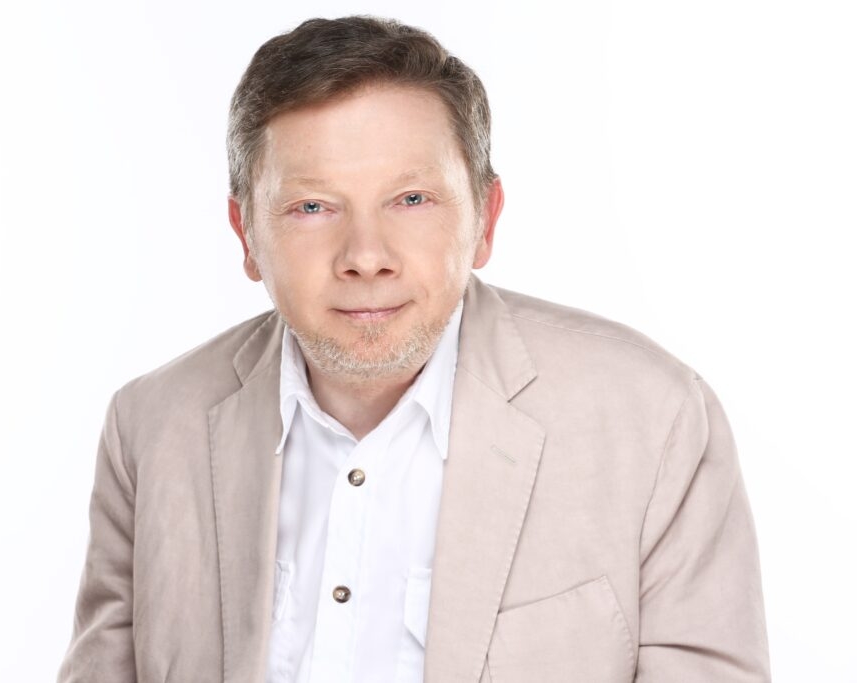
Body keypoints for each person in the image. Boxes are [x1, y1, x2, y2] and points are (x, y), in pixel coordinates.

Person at [57, 15, 770, 683]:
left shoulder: (653, 420)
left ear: (485, 219)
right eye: (313, 207)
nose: (366, 256)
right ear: (246, 234)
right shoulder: (151, 427)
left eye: (412, 200)